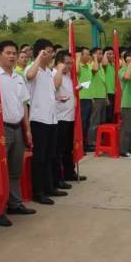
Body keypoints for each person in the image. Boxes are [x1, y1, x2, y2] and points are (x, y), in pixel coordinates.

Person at [0, 40, 36, 227]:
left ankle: (15, 203)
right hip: (0, 129)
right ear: (0, 54)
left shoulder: (18, 77)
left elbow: (23, 105)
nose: (11, 56)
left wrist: (27, 130)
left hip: (17, 128)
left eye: (14, 53)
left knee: (14, 170)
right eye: (8, 53)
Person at [25, 39, 66, 205]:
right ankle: (38, 191)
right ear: (41, 52)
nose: (52, 55)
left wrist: (57, 98)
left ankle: (49, 187)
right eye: (49, 51)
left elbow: (50, 91)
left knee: (50, 156)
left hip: (51, 119)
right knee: (40, 158)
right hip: (38, 120)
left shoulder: (48, 72)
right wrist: (38, 58)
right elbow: (29, 76)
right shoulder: (32, 68)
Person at [52, 51, 77, 190]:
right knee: (59, 150)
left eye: (71, 63)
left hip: (69, 116)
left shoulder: (68, 76)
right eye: (67, 63)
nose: (70, 66)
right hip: (59, 117)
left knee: (68, 148)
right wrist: (60, 70)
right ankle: (59, 178)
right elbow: (55, 86)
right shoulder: (54, 73)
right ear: (59, 62)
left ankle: (69, 172)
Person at [89, 47, 108, 153]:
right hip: (95, 97)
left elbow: (103, 82)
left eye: (102, 54)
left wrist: (106, 97)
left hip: (102, 97)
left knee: (101, 121)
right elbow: (94, 70)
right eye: (99, 54)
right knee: (94, 121)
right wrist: (95, 58)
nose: (101, 56)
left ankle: (99, 140)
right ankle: (91, 142)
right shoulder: (92, 65)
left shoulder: (101, 66)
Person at [76, 47, 95, 151]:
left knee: (87, 123)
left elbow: (89, 83)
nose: (89, 56)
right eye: (86, 54)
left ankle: (86, 144)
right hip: (81, 98)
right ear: (81, 55)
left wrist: (92, 97)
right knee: (82, 123)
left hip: (88, 97)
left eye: (89, 54)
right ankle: (81, 146)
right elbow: (76, 72)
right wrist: (77, 59)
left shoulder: (88, 66)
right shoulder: (78, 65)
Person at [103, 47, 117, 123]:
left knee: (111, 114)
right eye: (109, 54)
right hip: (106, 93)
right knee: (107, 115)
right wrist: (105, 53)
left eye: (112, 54)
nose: (112, 55)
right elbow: (104, 63)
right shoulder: (104, 65)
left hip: (112, 92)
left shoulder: (112, 65)